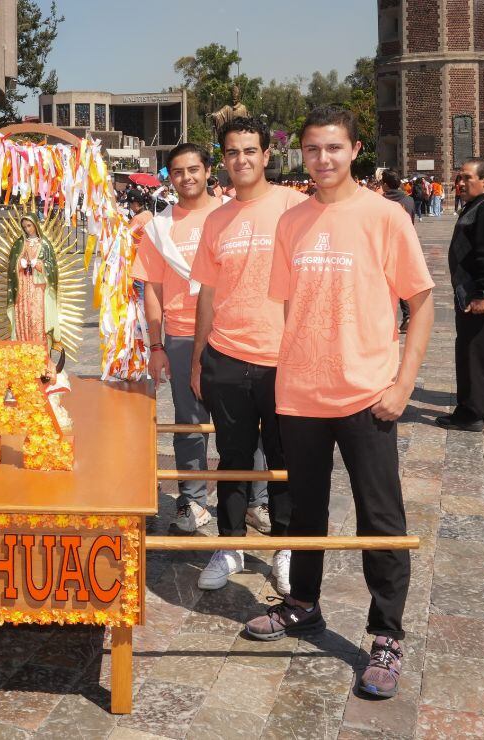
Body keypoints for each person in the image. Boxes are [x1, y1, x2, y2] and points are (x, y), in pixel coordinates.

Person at [244, 106, 435, 702]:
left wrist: (402, 385)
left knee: (381, 517)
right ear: (300, 154)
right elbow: (287, 306)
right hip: (300, 395)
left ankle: (387, 635)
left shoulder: (385, 216)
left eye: (333, 147)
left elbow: (421, 303)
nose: (322, 159)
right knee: (305, 512)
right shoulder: (292, 222)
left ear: (355, 150)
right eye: (312, 149)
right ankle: (303, 603)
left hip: (366, 395)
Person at [188, 117, 304, 594]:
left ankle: (285, 549)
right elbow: (207, 293)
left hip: (283, 359)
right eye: (233, 152)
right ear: (224, 158)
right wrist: (199, 358)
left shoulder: (295, 207)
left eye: (250, 150)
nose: (242, 159)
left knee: (283, 458)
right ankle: (230, 545)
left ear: (266, 155)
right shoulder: (216, 220)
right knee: (233, 458)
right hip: (228, 355)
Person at [132, 142, 221, 533]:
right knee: (189, 422)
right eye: (179, 172)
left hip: (231, 333)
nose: (187, 178)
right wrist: (156, 345)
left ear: (208, 171)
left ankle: (255, 499)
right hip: (182, 335)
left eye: (194, 169)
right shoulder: (159, 227)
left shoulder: (229, 215)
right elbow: (151, 289)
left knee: (243, 423)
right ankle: (193, 500)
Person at [437, 158, 484, 432]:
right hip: (475, 293)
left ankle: (470, 412)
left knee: (472, 353)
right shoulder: (480, 205)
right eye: (460, 177)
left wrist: (480, 295)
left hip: (477, 295)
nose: (461, 183)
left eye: (467, 178)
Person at [6, 215, 61, 347]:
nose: (27, 229)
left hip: (38, 287)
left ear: (35, 225)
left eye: (29, 225)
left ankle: (39, 347)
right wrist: (19, 264)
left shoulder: (45, 244)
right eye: (24, 227)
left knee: (37, 315)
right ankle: (23, 345)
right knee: (23, 315)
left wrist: (40, 264)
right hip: (23, 285)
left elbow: (52, 266)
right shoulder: (19, 244)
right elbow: (12, 265)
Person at [381, 170, 416, 333]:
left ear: (385, 185)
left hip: (384, 247)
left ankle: (384, 319)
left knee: (383, 284)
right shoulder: (409, 200)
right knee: (402, 282)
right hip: (404, 245)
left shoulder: (380, 201)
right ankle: (407, 316)